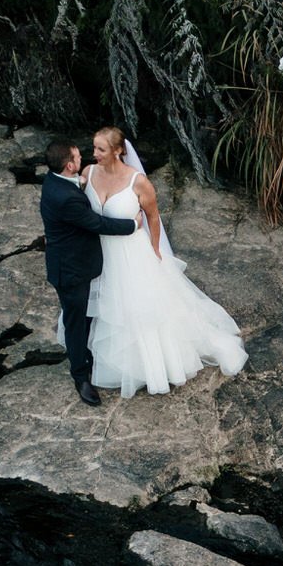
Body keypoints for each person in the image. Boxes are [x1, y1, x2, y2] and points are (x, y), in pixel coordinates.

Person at [80, 126, 247, 397]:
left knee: (140, 308)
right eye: (94, 147)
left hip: (131, 253)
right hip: (100, 252)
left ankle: (150, 366)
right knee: (109, 305)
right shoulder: (88, 173)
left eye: (101, 149)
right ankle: (111, 360)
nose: (95, 153)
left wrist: (155, 249)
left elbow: (153, 217)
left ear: (118, 151)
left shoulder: (138, 182)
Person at [37, 137, 139, 408]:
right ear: (70, 166)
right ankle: (80, 376)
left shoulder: (56, 181)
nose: (84, 157)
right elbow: (96, 223)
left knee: (87, 315)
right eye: (77, 156)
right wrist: (133, 224)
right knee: (76, 320)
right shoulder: (66, 198)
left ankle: (87, 355)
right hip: (70, 269)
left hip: (77, 261)